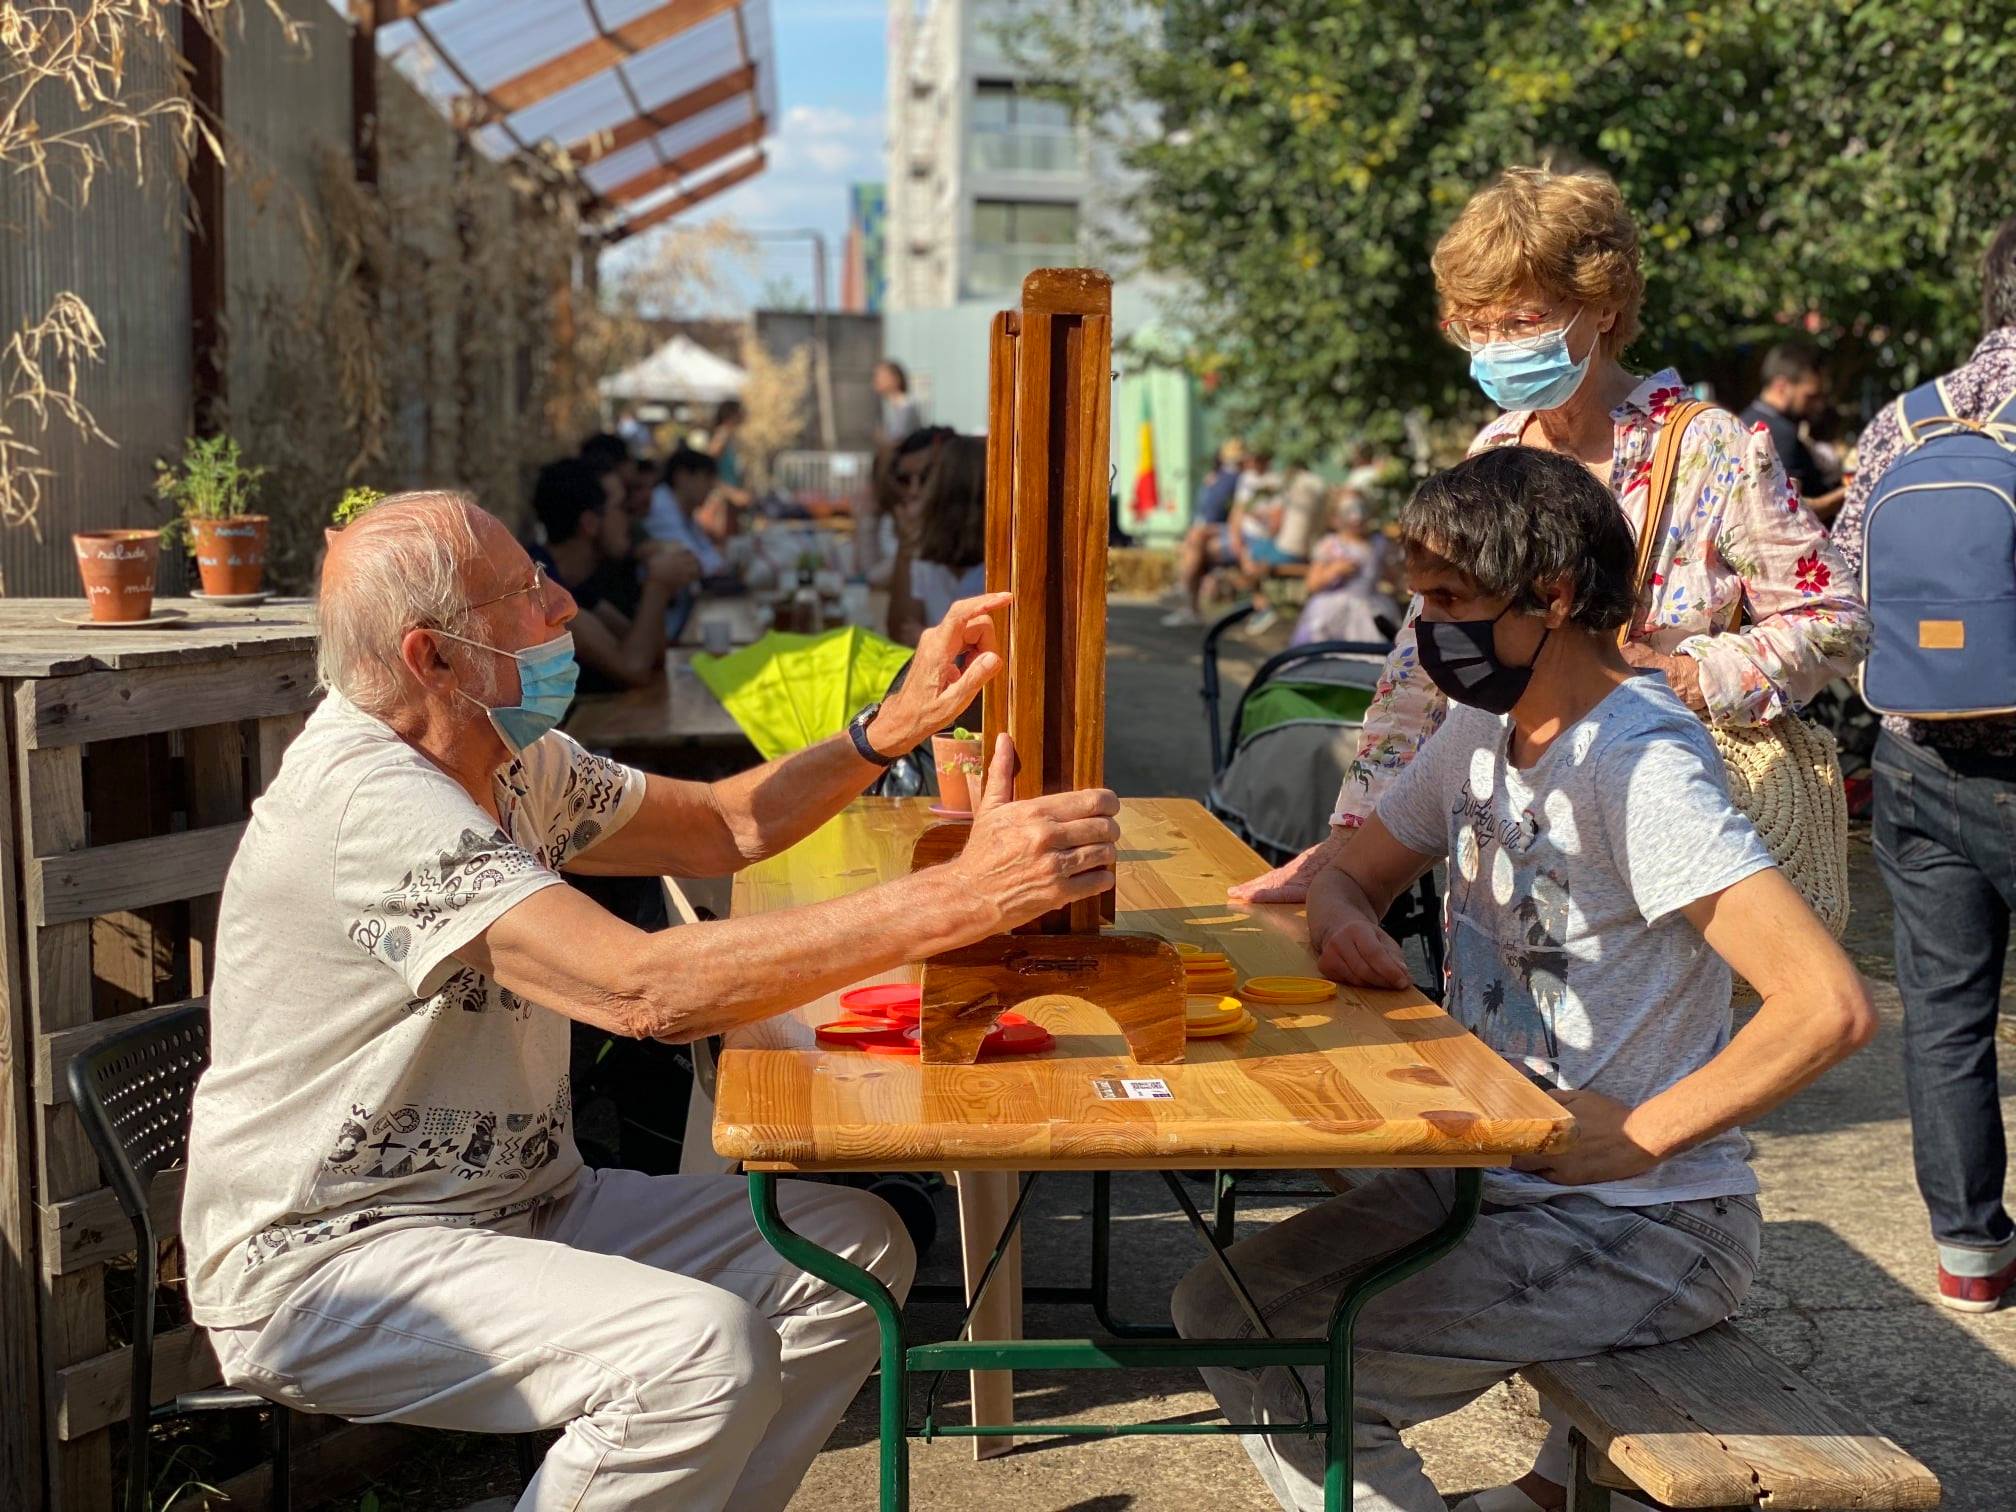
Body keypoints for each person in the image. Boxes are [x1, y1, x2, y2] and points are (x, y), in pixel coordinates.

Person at [182, 492, 1121, 1511]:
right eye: (525, 592)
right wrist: (961, 897)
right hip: (331, 1259)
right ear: (433, 657)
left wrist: (885, 729)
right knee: (696, 1357)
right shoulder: (373, 803)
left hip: (517, 1205)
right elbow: (641, 991)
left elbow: (721, 825)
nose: (564, 605)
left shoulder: (508, 759)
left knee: (851, 1253)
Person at [1175, 447, 1875, 1512]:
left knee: (1295, 1365)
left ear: (1551, 596)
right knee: (1218, 1307)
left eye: (1451, 600)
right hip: (1490, 1184)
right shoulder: (1481, 728)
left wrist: (1639, 1135)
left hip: (1640, 1224)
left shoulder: (1638, 766)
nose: (1425, 627)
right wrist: (1343, 920)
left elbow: (1827, 1006)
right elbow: (1349, 871)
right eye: (1420, 597)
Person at [1231, 164, 1868, 905]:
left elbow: (1837, 621)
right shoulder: (1496, 447)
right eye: (1477, 327)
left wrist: (1688, 674)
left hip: (1655, 843)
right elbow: (1420, 665)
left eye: (1522, 321)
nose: (1496, 346)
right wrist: (1349, 844)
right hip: (1501, 846)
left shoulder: (1710, 449)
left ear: (1602, 307)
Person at [1831, 215, 2016, 1312]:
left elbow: (1846, 589)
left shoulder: (1904, 421)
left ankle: (1970, 1259)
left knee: (1945, 1018)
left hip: (1913, 758)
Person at [526, 457, 696, 694]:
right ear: (590, 523)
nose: (631, 517)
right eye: (621, 507)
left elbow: (650, 656)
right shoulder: (539, 585)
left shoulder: (576, 584)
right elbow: (632, 669)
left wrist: (660, 576)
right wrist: (657, 585)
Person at [890, 433, 987, 646]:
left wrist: (935, 639)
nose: (913, 491)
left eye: (924, 478)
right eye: (905, 479)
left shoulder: (1002, 560)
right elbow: (902, 634)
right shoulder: (922, 555)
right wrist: (905, 546)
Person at [1739, 342, 1846, 521]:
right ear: (1781, 386)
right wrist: (1847, 493)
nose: (1817, 405)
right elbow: (1789, 510)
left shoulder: (1743, 421)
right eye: (1810, 397)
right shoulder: (1779, 435)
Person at [1288, 493, 1398, 647]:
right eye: (1348, 510)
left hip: (1370, 608)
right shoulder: (1331, 544)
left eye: (1361, 509)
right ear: (1335, 517)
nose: (1356, 517)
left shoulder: (1378, 544)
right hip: (1332, 612)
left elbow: (1393, 577)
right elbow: (1312, 584)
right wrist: (1335, 571)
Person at [1163, 439, 1248, 627]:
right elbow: (1205, 508)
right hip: (1213, 530)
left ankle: (1184, 587)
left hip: (1226, 530)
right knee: (1196, 548)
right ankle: (1189, 602)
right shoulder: (1217, 477)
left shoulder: (1239, 479)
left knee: (1196, 541)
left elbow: (1233, 514)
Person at [644, 445, 733, 585]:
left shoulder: (683, 510)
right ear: (683, 476)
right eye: (706, 478)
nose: (711, 487)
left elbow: (708, 554)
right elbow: (695, 562)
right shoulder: (660, 505)